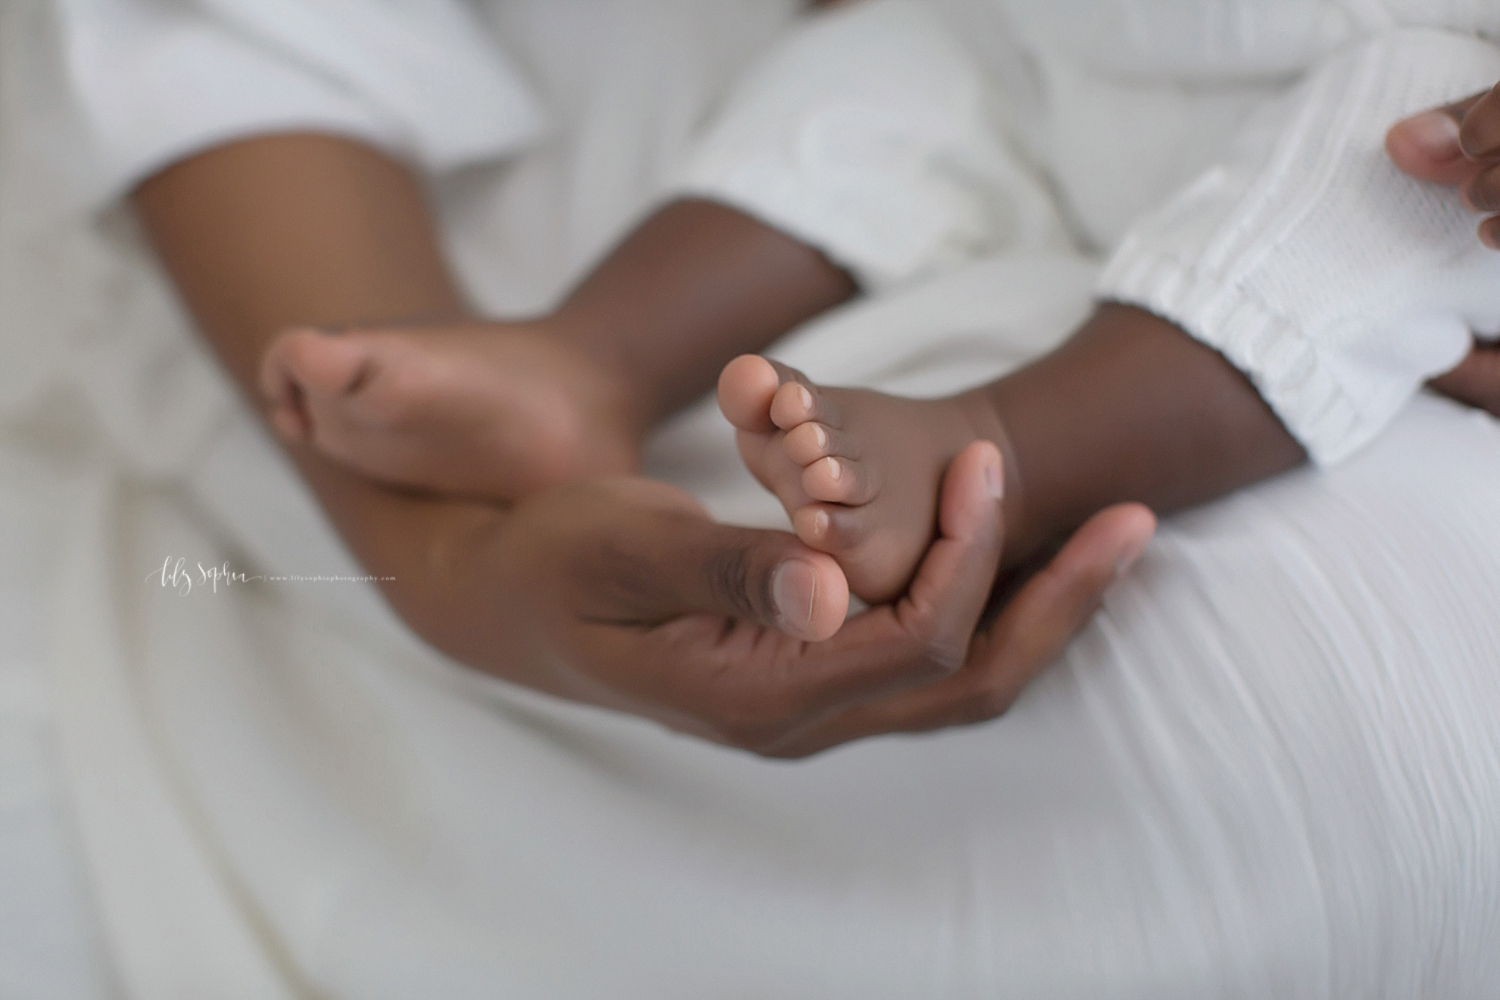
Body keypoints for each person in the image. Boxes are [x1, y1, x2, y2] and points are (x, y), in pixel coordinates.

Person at [9, 1, 1500, 995]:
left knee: (1403, 169)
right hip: (1020, 34)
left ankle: (1005, 445)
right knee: (904, 72)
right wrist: (452, 573)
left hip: (1392, 89)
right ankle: (587, 358)